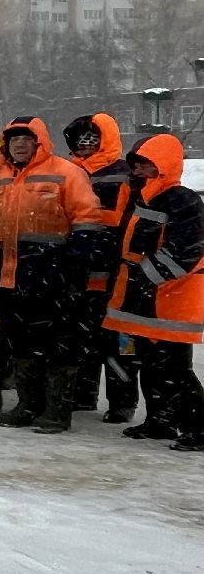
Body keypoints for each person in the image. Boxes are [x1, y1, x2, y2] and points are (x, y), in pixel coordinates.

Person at [0, 117, 100, 432]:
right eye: (14, 139)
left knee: (59, 344)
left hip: (53, 276)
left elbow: (86, 218)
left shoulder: (67, 173)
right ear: (5, 145)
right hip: (10, 276)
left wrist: (75, 265)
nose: (19, 145)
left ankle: (57, 411)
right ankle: (28, 404)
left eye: (26, 139)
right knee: (21, 342)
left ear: (39, 142)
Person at [102, 132, 204, 450]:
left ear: (164, 166)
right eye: (136, 165)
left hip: (172, 300)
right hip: (145, 297)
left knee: (174, 368)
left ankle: (198, 427)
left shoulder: (183, 200)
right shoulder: (142, 197)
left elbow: (185, 251)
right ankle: (160, 421)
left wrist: (143, 278)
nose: (138, 171)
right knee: (150, 363)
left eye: (145, 165)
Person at [62, 113, 138, 422]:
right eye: (80, 142)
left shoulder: (124, 175)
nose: (85, 147)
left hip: (112, 271)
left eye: (91, 141)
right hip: (77, 270)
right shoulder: (66, 172)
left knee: (118, 342)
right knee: (82, 336)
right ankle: (84, 394)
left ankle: (122, 402)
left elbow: (131, 223)